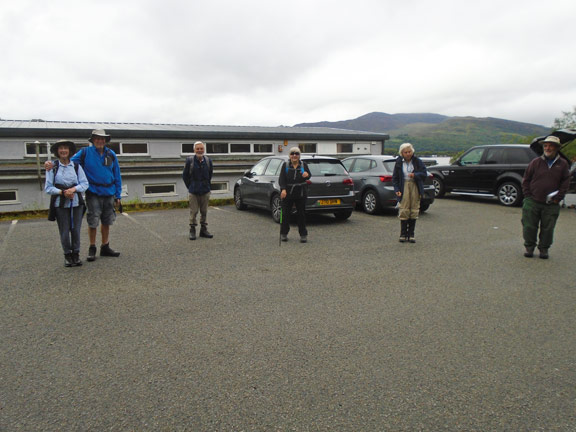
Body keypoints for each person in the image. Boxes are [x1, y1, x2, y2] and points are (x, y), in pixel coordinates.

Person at [46, 129, 123, 261]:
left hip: (110, 192)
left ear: (105, 140)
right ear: (92, 140)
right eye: (97, 138)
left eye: (102, 138)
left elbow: (117, 174)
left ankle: (105, 246)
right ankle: (92, 248)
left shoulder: (111, 154)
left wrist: (118, 195)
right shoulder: (85, 153)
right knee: (93, 221)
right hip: (93, 192)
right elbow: (66, 161)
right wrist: (51, 164)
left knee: (107, 221)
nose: (100, 141)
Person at [521, 135, 570, 259]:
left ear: (557, 148)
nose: (548, 148)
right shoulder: (535, 162)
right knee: (529, 226)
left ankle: (544, 249)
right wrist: (527, 195)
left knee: (548, 229)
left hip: (551, 204)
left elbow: (565, 182)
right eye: (546, 145)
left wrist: (558, 197)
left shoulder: (563, 164)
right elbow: (526, 180)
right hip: (532, 201)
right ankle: (529, 247)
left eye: (551, 146)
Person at [45, 140, 89, 267]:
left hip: (76, 203)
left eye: (66, 148)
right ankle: (67, 255)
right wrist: (63, 192)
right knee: (64, 231)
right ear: (57, 152)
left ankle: (76, 254)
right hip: (60, 203)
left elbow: (85, 183)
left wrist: (74, 189)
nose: (63, 150)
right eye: (61, 148)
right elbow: (48, 188)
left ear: (70, 151)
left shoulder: (76, 166)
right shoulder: (52, 167)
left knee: (76, 230)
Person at [392, 143, 427, 243]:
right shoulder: (399, 162)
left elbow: (424, 174)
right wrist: (397, 190)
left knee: (414, 209)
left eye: (409, 152)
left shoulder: (417, 161)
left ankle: (411, 234)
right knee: (404, 209)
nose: (408, 154)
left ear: (412, 152)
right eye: (405, 152)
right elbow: (395, 178)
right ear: (402, 153)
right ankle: (403, 234)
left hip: (414, 186)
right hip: (404, 186)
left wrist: (415, 175)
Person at [279, 147, 312, 243]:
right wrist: (283, 189)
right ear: (289, 155)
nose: (294, 155)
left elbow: (309, 175)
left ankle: (303, 235)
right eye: (292, 153)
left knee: (301, 214)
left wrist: (307, 175)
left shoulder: (303, 165)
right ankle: (284, 233)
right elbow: (282, 179)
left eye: (296, 153)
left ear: (299, 155)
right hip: (288, 193)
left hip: (301, 193)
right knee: (285, 214)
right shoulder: (285, 165)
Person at [182, 141, 213, 240]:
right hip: (193, 191)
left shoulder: (208, 161)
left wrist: (207, 185)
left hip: (205, 190)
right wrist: (190, 186)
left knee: (204, 211)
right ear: (194, 150)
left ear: (204, 149)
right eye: (197, 149)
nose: (200, 150)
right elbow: (185, 176)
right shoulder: (189, 161)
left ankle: (203, 230)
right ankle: (192, 230)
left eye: (201, 148)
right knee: (194, 211)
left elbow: (210, 175)